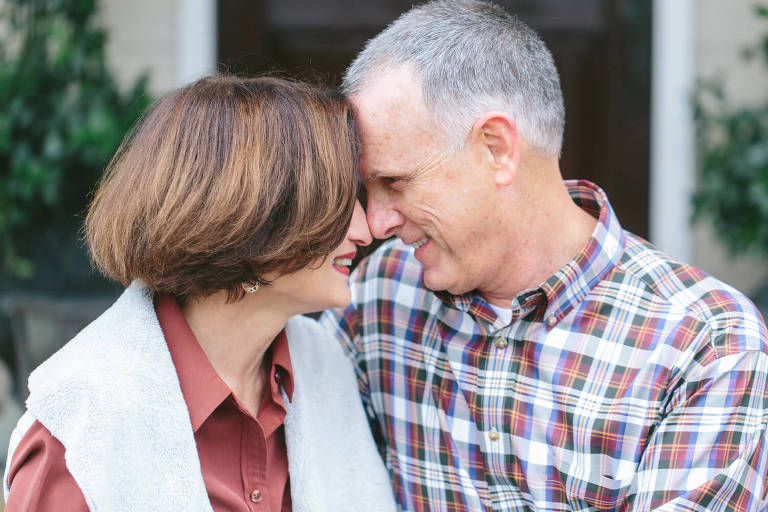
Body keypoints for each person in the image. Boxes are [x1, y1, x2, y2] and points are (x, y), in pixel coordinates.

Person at [321, 1, 768, 510]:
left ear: (496, 148)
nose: (376, 224)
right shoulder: (379, 296)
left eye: (394, 182)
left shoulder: (706, 344)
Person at [3, 75, 397, 511]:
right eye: (341, 202)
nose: (366, 230)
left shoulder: (327, 369)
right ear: (257, 214)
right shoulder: (80, 426)